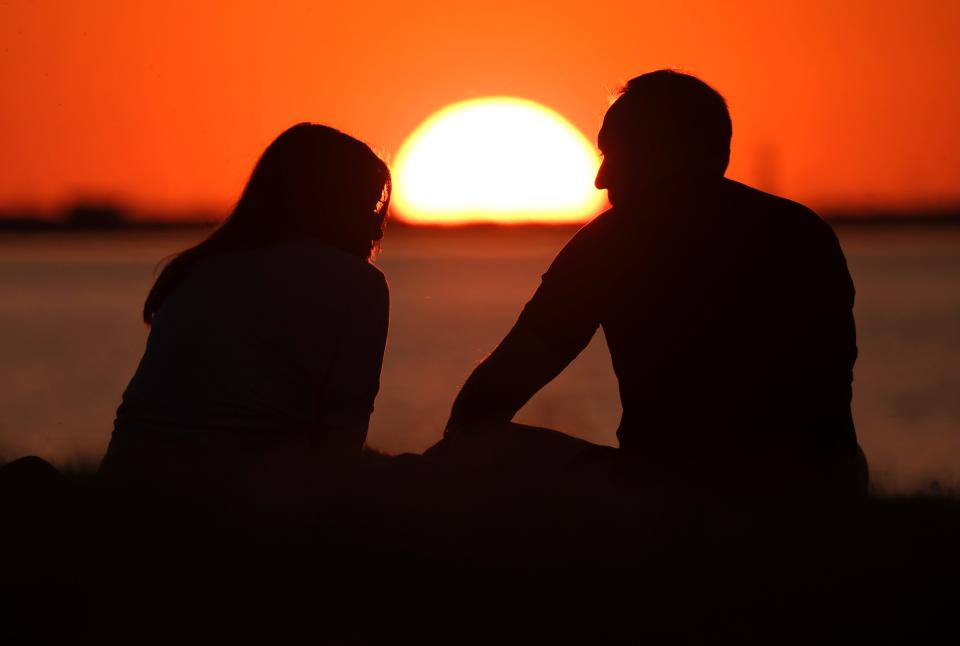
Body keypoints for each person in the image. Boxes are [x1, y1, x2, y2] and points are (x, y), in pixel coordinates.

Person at [440, 70, 868, 499]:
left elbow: (488, 400)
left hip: (674, 497)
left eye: (614, 155)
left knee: (475, 442)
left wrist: (450, 460)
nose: (600, 178)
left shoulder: (611, 246)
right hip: (825, 491)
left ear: (663, 155)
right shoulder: (803, 231)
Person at [98, 124, 392, 494]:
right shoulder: (358, 284)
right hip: (242, 501)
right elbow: (341, 440)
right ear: (335, 201)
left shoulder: (197, 269)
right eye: (368, 204)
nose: (376, 230)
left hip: (126, 487)